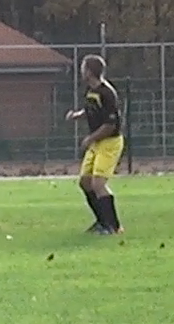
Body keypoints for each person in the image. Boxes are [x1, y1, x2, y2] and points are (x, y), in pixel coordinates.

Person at [64, 55, 125, 235]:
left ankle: (113, 226)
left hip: (109, 142)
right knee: (85, 182)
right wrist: (77, 115)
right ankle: (101, 222)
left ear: (89, 71)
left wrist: (90, 139)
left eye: (83, 68)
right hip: (97, 142)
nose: (81, 71)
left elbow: (110, 125)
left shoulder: (107, 93)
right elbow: (91, 109)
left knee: (98, 184)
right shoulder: (91, 91)